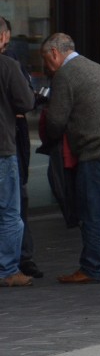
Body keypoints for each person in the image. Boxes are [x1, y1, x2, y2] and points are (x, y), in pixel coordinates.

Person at [41, 33, 100, 284]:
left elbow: (56, 121)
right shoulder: (96, 68)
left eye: (45, 60)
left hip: (98, 153)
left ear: (54, 54)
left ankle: (90, 268)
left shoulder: (65, 75)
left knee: (93, 213)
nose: (45, 67)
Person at [0, 18, 40, 279]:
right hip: (2, 149)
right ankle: (8, 270)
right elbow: (26, 102)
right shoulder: (8, 65)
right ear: (4, 37)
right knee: (9, 213)